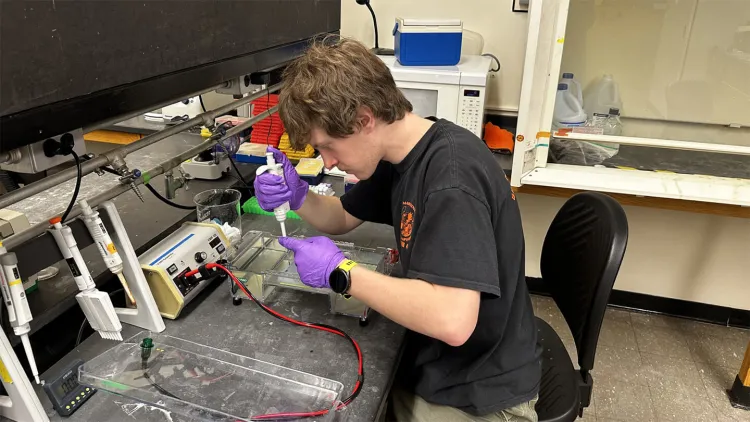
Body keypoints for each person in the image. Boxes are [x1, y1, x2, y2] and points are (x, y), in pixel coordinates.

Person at [254, 37, 541, 422]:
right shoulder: (401, 153)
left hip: (478, 393)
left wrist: (341, 273)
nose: (330, 162)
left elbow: (452, 321)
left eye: (328, 146)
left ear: (364, 119)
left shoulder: (450, 179)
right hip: (444, 364)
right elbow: (341, 217)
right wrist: (299, 194)